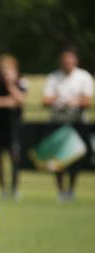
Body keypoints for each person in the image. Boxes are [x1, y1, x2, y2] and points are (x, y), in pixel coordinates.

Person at [42, 47, 94, 201]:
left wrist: (75, 102)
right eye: (65, 61)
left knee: (75, 157)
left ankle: (71, 189)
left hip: (77, 122)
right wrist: (59, 101)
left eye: (70, 61)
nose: (67, 63)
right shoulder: (53, 77)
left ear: (75, 61)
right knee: (57, 158)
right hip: (57, 122)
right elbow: (45, 100)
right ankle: (61, 191)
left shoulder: (83, 77)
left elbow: (87, 100)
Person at [0, 54, 27, 200]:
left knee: (15, 157)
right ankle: (2, 189)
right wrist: (8, 102)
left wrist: (10, 85)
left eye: (8, 69)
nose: (5, 72)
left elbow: (20, 100)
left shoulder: (21, 81)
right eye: (3, 69)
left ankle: (14, 189)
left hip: (14, 126)